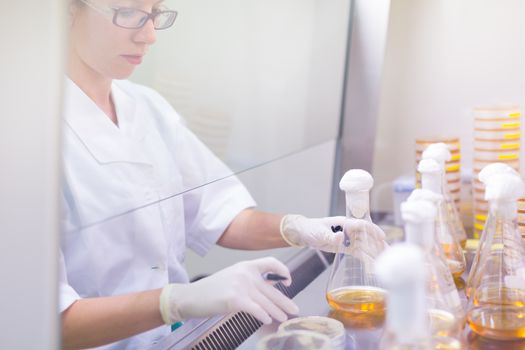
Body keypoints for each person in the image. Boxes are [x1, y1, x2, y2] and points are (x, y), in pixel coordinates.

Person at [61, 0, 385, 349]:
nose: (150, 35)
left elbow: (219, 213)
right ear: (65, 12)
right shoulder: (27, 138)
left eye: (155, 13)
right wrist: (176, 300)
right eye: (129, 14)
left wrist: (299, 227)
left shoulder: (147, 108)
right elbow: (47, 322)